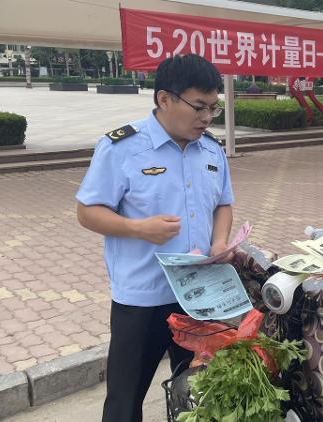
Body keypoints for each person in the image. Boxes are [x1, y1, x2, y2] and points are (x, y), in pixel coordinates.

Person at [75, 54, 234, 422]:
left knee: (198, 391)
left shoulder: (210, 149)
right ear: (165, 99)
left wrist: (221, 241)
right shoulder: (122, 148)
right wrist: (137, 228)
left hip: (198, 296)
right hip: (142, 298)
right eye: (199, 107)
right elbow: (87, 211)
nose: (207, 117)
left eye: (213, 108)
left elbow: (223, 204)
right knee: (125, 399)